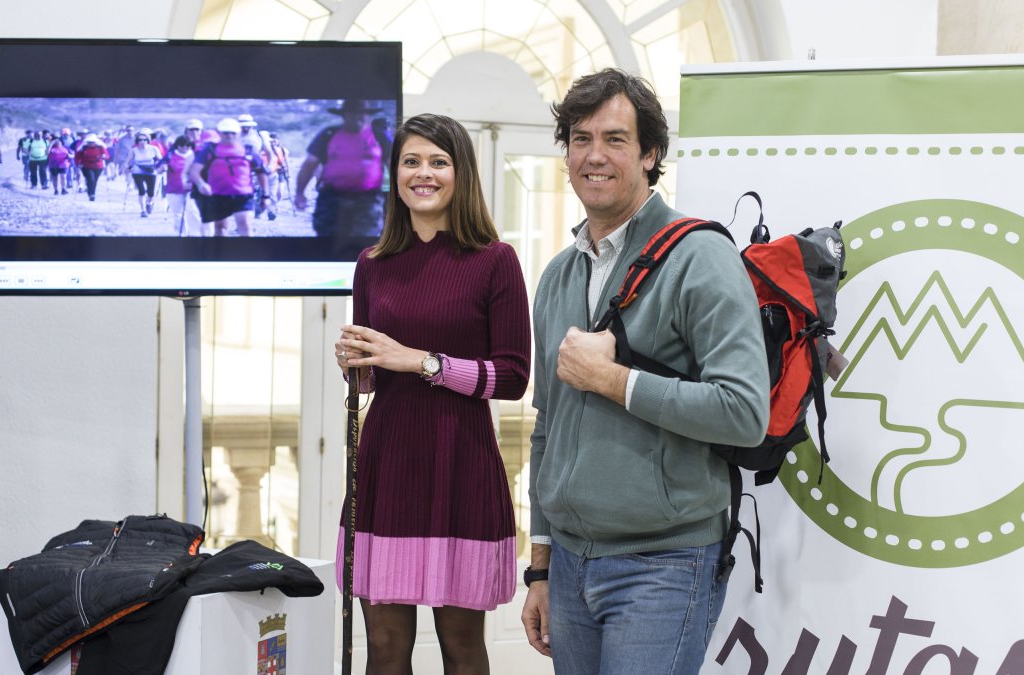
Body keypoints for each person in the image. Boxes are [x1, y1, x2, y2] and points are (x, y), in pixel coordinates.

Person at [520, 68, 770, 674]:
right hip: (572, 565)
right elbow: (548, 426)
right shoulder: (558, 275)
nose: (594, 156)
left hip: (665, 564)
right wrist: (542, 563)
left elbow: (743, 413)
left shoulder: (700, 257)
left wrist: (613, 380)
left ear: (651, 153)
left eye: (615, 139)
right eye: (581, 139)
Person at [334, 113, 530, 675]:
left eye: (438, 162)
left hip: (460, 468)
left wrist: (420, 361)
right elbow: (374, 375)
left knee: (462, 648)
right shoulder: (372, 265)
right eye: (411, 161)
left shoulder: (495, 260)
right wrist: (356, 366)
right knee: (386, 647)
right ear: (395, 174)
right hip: (388, 467)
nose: (424, 174)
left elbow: (513, 378)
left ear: (460, 173)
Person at [293, 99, 391, 237]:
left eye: (362, 113)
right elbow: (309, 164)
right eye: (353, 113)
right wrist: (299, 193)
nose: (358, 117)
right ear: (344, 115)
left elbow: (394, 165)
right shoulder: (328, 134)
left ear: (368, 115)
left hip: (368, 201)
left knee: (364, 245)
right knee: (328, 242)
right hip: (332, 200)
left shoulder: (380, 136)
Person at [187, 117, 270, 236]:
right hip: (218, 195)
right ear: (220, 133)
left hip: (243, 195)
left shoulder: (248, 151)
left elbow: (261, 172)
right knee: (220, 228)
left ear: (238, 133)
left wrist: (265, 196)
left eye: (233, 133)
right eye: (226, 133)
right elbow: (194, 171)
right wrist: (201, 184)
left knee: (245, 225)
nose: (229, 136)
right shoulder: (210, 150)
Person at [164, 135, 206, 236]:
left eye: (188, 146)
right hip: (174, 189)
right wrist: (163, 167)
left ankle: (195, 235)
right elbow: (159, 166)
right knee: (178, 215)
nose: (185, 148)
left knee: (193, 212)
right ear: (177, 146)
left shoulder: (196, 156)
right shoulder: (170, 155)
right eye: (182, 146)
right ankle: (182, 235)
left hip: (192, 189)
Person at [126, 129, 164, 217]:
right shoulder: (134, 150)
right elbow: (128, 160)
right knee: (141, 191)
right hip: (137, 171)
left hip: (151, 171)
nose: (142, 142)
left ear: (148, 140)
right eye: (140, 140)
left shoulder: (154, 149)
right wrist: (126, 167)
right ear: (137, 141)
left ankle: (149, 203)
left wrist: (162, 167)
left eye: (144, 140)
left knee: (151, 192)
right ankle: (143, 210)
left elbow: (160, 159)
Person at [74, 134, 109, 202]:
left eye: (92, 142)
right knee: (91, 179)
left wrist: (104, 156)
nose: (91, 143)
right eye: (89, 142)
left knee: (94, 180)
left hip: (98, 166)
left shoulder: (100, 147)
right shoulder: (83, 148)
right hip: (86, 166)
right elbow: (77, 156)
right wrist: (78, 163)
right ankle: (92, 194)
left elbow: (107, 155)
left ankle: (91, 192)